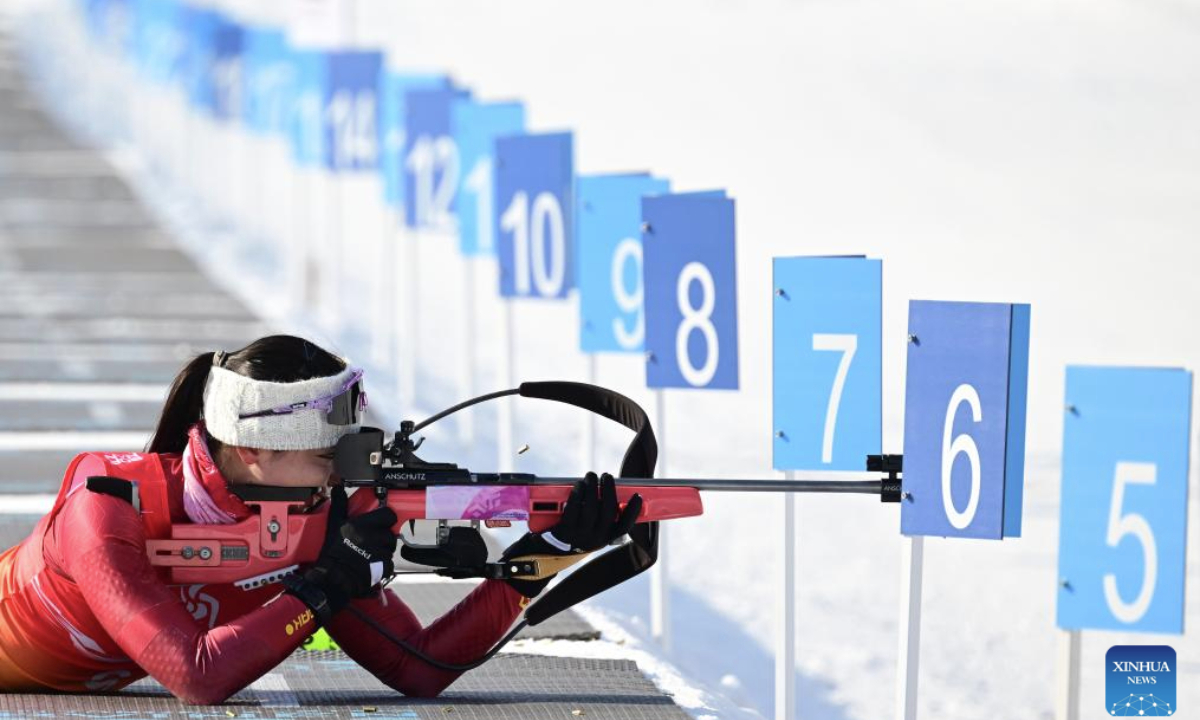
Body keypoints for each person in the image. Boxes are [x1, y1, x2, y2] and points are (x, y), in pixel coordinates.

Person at [0, 335, 638, 704]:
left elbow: (418, 668)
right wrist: (329, 582)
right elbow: (198, 676)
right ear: (256, 451)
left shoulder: (317, 510)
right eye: (327, 455)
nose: (343, 473)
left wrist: (548, 552)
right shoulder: (109, 506)